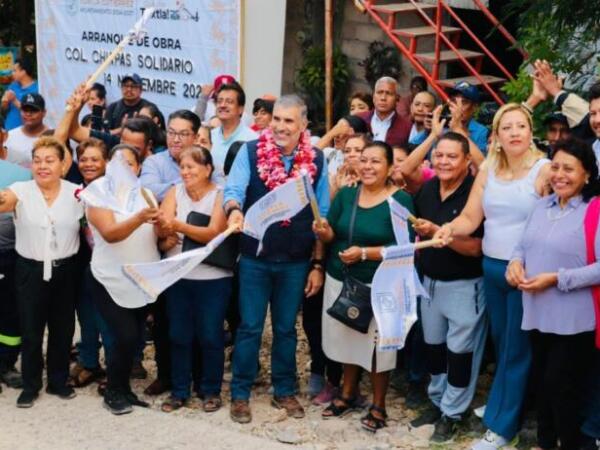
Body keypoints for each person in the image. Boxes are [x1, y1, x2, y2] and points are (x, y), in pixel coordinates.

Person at [433, 103, 551, 450]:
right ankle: (505, 402)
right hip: (491, 267)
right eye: (507, 127)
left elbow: (548, 224)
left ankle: (501, 426)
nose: (515, 133)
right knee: (502, 344)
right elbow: (470, 218)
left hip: (524, 272)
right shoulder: (488, 169)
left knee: (516, 349)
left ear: (530, 132)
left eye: (521, 126)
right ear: (496, 135)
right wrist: (448, 229)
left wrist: (527, 262)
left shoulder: (543, 170)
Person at [224, 94, 329, 423]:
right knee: (249, 327)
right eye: (277, 119)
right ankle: (240, 393)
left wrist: (317, 263)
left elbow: (321, 213)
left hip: (296, 261)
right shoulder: (250, 152)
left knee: (286, 329)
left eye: (289, 121)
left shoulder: (318, 159)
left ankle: (284, 390)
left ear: (303, 125)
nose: (281, 127)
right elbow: (234, 191)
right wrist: (233, 211)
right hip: (256, 258)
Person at [505, 138, 600, 450]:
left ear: (587, 174)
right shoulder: (541, 205)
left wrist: (557, 279)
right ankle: (545, 443)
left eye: (569, 169)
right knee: (542, 385)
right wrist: (515, 264)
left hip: (575, 318)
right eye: (555, 167)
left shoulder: (594, 210)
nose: (560, 174)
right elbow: (522, 245)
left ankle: (571, 444)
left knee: (564, 388)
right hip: (537, 312)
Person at [315, 140, 414, 432]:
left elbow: (405, 246)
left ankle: (379, 405)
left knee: (378, 346)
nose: (368, 166)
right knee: (349, 336)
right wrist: (323, 230)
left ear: (389, 167)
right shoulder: (346, 195)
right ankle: (348, 394)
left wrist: (365, 253)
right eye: (364, 160)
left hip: (383, 283)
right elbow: (333, 232)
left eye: (376, 161)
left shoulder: (401, 201)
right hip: (343, 278)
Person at [409, 132, 487, 444]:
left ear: (468, 161)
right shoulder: (427, 189)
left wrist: (440, 233)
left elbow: (476, 249)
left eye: (452, 156)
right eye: (439, 155)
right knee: (435, 349)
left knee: (461, 354)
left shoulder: (475, 193)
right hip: (429, 282)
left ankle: (453, 414)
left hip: (464, 285)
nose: (443, 161)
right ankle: (438, 401)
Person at [0, 137, 84, 408]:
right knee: (31, 330)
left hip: (66, 270)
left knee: (63, 328)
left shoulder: (77, 193)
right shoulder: (20, 189)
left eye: (50, 160)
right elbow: (4, 201)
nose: (42, 166)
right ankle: (30, 384)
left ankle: (58, 381)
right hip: (29, 270)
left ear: (63, 164)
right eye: (37, 160)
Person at [86, 144, 161, 415]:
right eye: (117, 163)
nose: (124, 168)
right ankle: (113, 391)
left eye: (129, 163)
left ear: (138, 168)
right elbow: (110, 233)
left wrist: (167, 234)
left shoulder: (147, 194)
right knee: (125, 335)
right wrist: (140, 218)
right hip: (109, 277)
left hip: (142, 278)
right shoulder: (96, 193)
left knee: (135, 337)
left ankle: (125, 389)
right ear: (108, 165)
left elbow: (156, 235)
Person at [157, 146, 232, 413]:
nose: (186, 172)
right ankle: (179, 391)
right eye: (183, 167)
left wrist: (178, 227)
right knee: (178, 334)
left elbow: (213, 233)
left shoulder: (220, 195)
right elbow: (162, 225)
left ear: (208, 169)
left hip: (213, 277)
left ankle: (210, 390)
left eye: (192, 167)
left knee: (210, 335)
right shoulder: (174, 192)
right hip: (178, 274)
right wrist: (167, 232)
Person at [69, 139, 111, 389]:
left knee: (108, 318)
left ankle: (115, 369)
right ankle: (89, 362)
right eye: (83, 159)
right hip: (84, 262)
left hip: (111, 263)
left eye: (95, 159)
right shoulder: (74, 191)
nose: (89, 164)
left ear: (106, 162)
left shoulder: (113, 191)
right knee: (86, 314)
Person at [0, 126, 31, 391]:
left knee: (11, 313)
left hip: (10, 256)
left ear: (3, 135)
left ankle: (7, 365)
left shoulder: (22, 175)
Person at [140, 110, 200, 201]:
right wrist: (190, 182)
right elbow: (147, 192)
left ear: (195, 138)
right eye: (171, 133)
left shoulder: (208, 164)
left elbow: (219, 194)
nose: (176, 140)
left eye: (183, 134)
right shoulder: (154, 162)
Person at [210, 82, 258, 186]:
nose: (222, 105)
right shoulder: (209, 136)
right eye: (219, 101)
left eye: (229, 102)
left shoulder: (253, 140)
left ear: (240, 109)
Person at [357, 77, 412, 147]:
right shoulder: (359, 118)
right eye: (379, 92)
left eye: (389, 93)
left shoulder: (407, 127)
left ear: (397, 99)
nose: (383, 98)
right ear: (373, 97)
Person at [5, 93, 48, 168]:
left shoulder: (53, 136)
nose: (28, 114)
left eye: (34, 110)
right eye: (25, 110)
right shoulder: (9, 136)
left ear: (44, 113)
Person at [446, 81, 489, 153]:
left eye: (464, 102)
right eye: (454, 101)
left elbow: (481, 161)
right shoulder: (442, 125)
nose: (458, 106)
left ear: (474, 107)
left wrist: (459, 128)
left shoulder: (482, 131)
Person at [1, 57, 38, 131]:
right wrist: (4, 103)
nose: (12, 74)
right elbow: (3, 110)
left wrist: (14, 100)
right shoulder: (13, 86)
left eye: (14, 71)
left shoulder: (37, 89)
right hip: (9, 130)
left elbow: (32, 113)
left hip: (27, 132)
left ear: (23, 72)